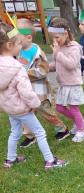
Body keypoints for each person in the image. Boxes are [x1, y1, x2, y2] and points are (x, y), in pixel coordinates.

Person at [0, 21, 68, 170]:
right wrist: (35, 105)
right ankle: (50, 161)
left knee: (14, 132)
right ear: (9, 46)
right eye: (18, 44)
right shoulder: (17, 68)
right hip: (24, 109)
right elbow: (26, 92)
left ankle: (10, 160)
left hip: (10, 109)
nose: (20, 47)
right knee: (40, 132)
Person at [16, 18, 70, 146]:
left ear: (28, 37)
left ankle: (62, 129)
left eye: (17, 38)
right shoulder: (19, 50)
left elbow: (43, 70)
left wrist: (25, 74)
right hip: (26, 90)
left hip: (40, 92)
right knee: (26, 112)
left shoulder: (37, 52)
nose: (14, 40)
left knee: (47, 113)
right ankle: (29, 136)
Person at [49, 17, 84, 143]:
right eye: (53, 38)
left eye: (57, 37)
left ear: (65, 33)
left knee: (74, 108)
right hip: (63, 84)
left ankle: (81, 131)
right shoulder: (60, 48)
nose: (55, 40)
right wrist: (46, 67)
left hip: (73, 84)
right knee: (60, 107)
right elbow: (58, 64)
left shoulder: (74, 47)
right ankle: (80, 121)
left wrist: (57, 54)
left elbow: (71, 64)